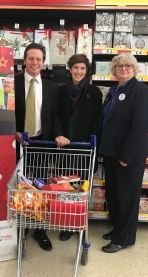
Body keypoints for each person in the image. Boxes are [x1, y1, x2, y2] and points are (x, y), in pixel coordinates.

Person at [15, 43, 70, 251]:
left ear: (43, 63)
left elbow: (54, 116)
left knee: (39, 188)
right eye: (31, 58)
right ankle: (20, 227)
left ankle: (39, 228)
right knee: (18, 187)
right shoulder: (12, 83)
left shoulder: (51, 88)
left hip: (41, 144)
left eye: (39, 59)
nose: (35, 62)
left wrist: (58, 135)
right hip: (17, 144)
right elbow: (5, 112)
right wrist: (15, 132)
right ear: (24, 61)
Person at [100, 53, 148, 253]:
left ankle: (124, 238)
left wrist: (126, 156)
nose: (124, 68)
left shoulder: (141, 91)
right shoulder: (113, 90)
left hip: (127, 156)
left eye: (128, 65)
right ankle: (118, 229)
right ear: (114, 69)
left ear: (134, 68)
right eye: (119, 65)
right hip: (112, 153)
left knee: (128, 197)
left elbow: (139, 127)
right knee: (114, 195)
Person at [57, 54, 102, 241]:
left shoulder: (94, 92)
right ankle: (68, 224)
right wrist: (59, 134)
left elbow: (97, 121)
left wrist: (91, 143)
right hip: (64, 147)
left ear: (87, 70)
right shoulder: (61, 91)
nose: (79, 72)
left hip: (84, 149)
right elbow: (56, 116)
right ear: (70, 69)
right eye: (75, 68)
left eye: (82, 68)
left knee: (82, 187)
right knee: (66, 186)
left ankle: (80, 224)